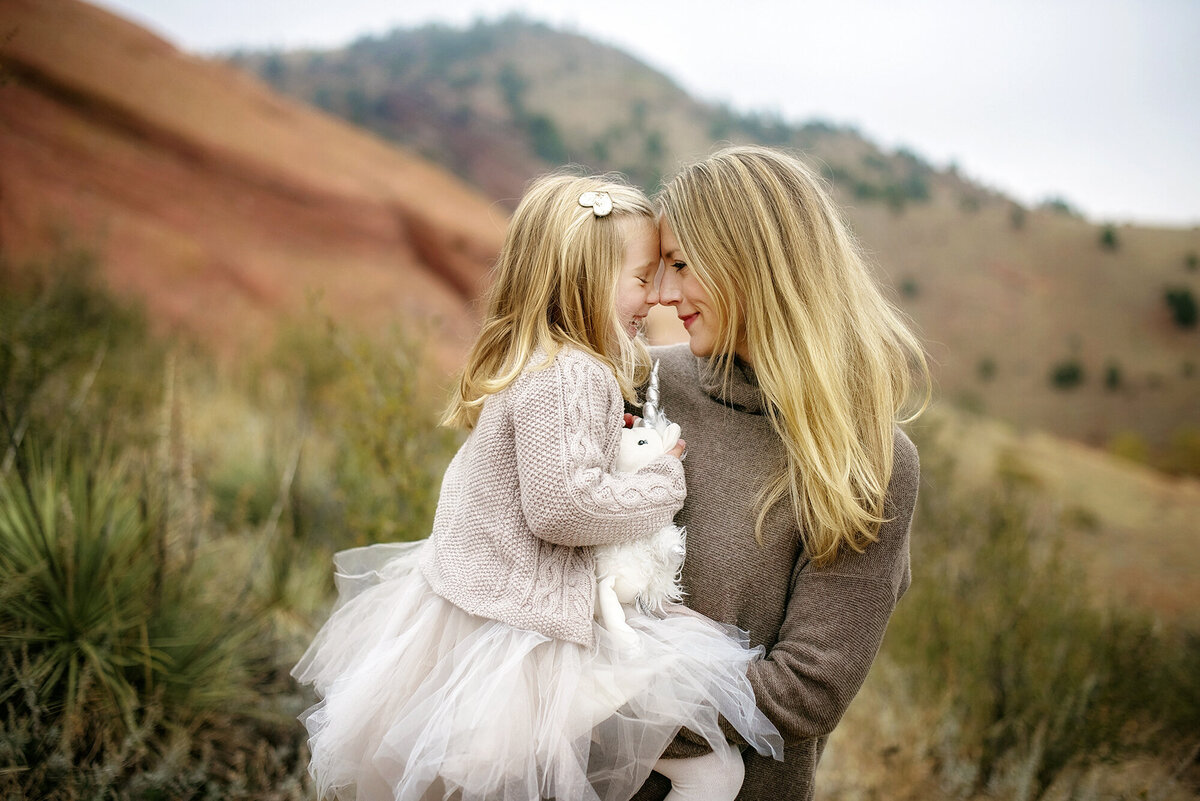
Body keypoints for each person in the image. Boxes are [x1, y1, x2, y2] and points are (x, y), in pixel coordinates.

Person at [291, 173, 781, 801]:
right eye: (641, 278)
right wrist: (664, 481)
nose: (656, 297)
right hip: (522, 636)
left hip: (495, 616)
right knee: (709, 771)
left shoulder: (551, 363)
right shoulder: (571, 372)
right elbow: (563, 508)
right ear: (586, 280)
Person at [629, 145, 929, 801]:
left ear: (753, 262)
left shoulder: (866, 457)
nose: (662, 294)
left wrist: (597, 706)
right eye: (658, 268)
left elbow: (807, 690)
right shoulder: (637, 381)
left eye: (682, 265)